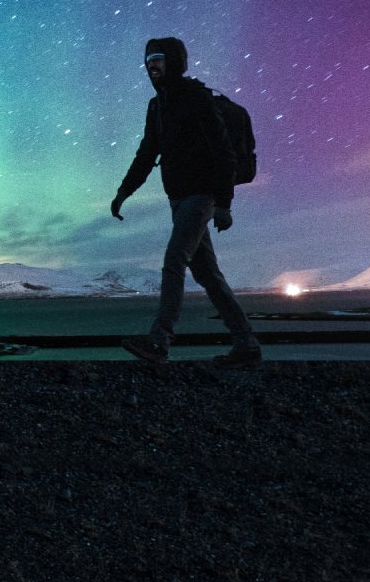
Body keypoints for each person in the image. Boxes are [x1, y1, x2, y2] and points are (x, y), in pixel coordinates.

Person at [110, 37, 262, 368]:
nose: (152, 64)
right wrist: (124, 192)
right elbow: (147, 153)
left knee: (174, 258)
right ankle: (246, 343)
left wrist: (224, 203)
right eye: (148, 59)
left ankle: (159, 341)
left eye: (159, 58)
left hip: (202, 194)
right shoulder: (157, 106)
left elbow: (223, 152)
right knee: (208, 275)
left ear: (176, 61)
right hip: (178, 198)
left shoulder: (195, 99)